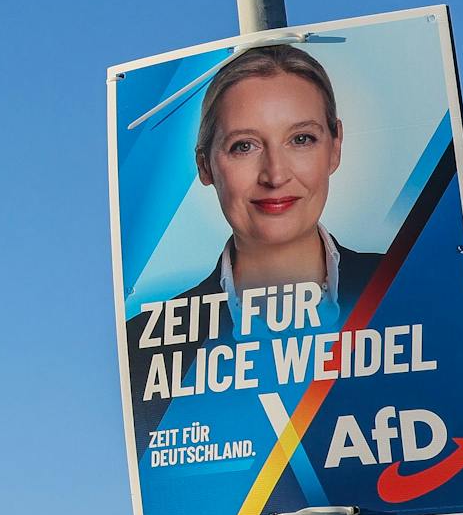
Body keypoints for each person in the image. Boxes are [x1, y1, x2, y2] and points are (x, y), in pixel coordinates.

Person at [126, 43, 384, 351]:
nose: (275, 176)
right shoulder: (145, 344)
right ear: (205, 166)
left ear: (335, 147)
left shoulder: (408, 289)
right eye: (244, 146)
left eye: (301, 139)